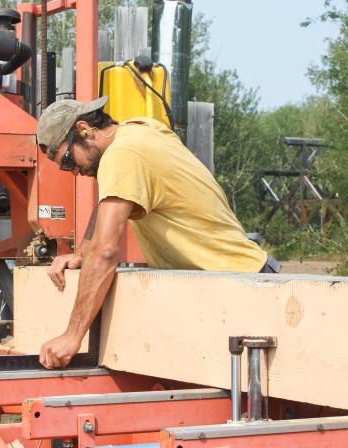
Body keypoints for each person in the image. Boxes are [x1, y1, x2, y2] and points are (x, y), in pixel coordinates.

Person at [35, 96, 277, 369]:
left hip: (244, 289)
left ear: (83, 130)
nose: (74, 171)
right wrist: (80, 254)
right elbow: (107, 203)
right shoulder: (139, 130)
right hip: (237, 280)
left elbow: (106, 253)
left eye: (67, 161)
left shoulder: (122, 155)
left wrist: (72, 336)